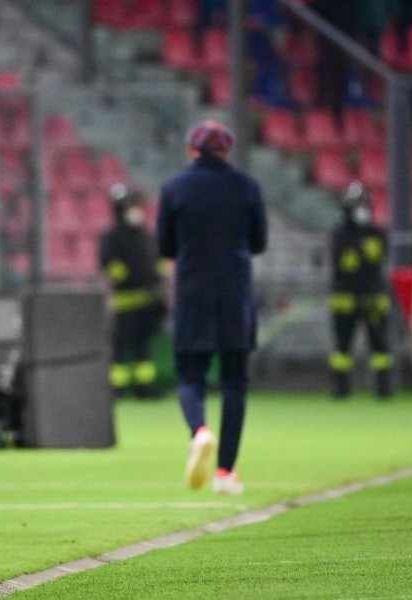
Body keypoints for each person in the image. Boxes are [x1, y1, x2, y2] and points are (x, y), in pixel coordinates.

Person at [157, 120, 267, 495]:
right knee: (235, 381)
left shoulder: (174, 189)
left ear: (192, 150)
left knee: (190, 377)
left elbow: (165, 247)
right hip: (235, 293)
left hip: (193, 291)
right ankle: (225, 473)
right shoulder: (247, 187)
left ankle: (200, 431)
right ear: (226, 150)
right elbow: (259, 242)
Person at [99, 183, 167, 398]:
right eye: (131, 206)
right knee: (118, 349)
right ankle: (116, 388)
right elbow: (109, 265)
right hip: (123, 302)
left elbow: (157, 262)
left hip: (147, 301)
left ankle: (144, 386)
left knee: (143, 347)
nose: (135, 210)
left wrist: (159, 278)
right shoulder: (112, 237)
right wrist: (128, 277)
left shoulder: (146, 236)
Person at [328, 181, 394, 399]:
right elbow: (346, 263)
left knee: (380, 345)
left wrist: (357, 252)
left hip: (373, 297)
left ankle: (384, 388)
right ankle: (340, 389)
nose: (361, 211)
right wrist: (361, 252)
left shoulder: (377, 233)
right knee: (342, 347)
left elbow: (376, 256)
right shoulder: (339, 234)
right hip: (345, 299)